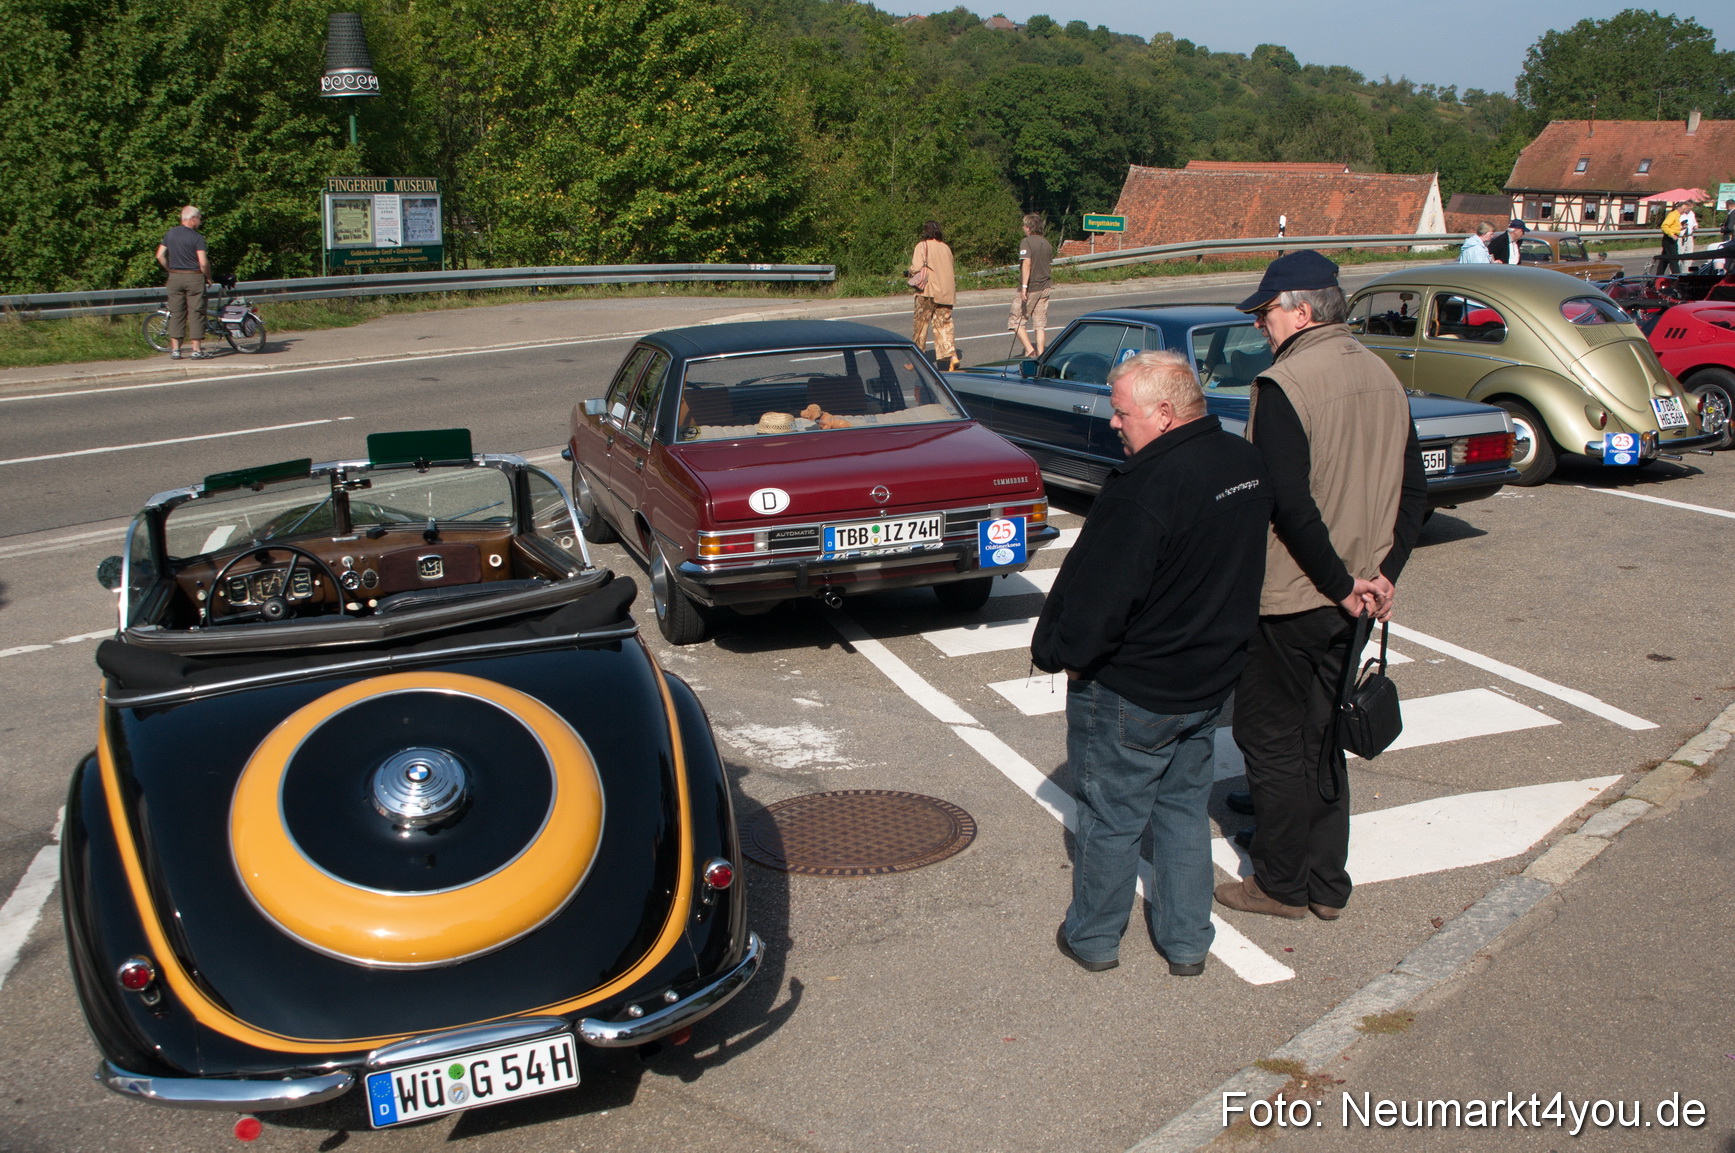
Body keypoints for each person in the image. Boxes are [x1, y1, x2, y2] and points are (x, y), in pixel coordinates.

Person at [1033, 350, 1273, 975]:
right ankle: (1188, 941)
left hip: (1132, 689)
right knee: (1183, 812)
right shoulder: (1243, 463)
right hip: (1206, 681)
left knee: (1112, 819)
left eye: (1122, 413)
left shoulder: (1146, 488)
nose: (1115, 424)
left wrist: (1065, 657)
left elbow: (1103, 596)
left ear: (1164, 413)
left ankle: (1093, 938)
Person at [1214, 250, 1426, 922]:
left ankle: (1279, 881)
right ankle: (1325, 881)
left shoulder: (1284, 383)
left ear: (1301, 310)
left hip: (1295, 596)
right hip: (1357, 597)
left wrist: (1338, 582)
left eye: (1265, 313)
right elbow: (1413, 492)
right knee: (1321, 735)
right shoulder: (1381, 375)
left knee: (1268, 735)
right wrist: (1382, 577)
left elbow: (1285, 503)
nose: (1260, 327)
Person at [155, 205, 212, 359]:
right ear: (192, 219)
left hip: (174, 277)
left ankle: (176, 350)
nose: (200, 222)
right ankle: (196, 350)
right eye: (199, 218)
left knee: (176, 312)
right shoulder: (197, 237)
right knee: (196, 312)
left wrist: (170, 270)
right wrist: (208, 277)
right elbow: (204, 263)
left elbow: (160, 255)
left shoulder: (170, 234)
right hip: (193, 276)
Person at [908, 221, 958, 370]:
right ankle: (952, 356)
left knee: (921, 325)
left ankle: (916, 360)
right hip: (947, 291)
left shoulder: (922, 245)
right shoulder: (946, 248)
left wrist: (909, 271)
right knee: (944, 325)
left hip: (928, 291)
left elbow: (917, 267)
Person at [1009, 213, 1054, 358]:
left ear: (1028, 227)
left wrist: (1024, 287)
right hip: (1046, 287)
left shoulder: (1026, 242)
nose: (1023, 228)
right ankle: (1041, 354)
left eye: (1024, 225)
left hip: (1032, 287)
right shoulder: (1047, 244)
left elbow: (1027, 263)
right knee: (1039, 324)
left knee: (1016, 320)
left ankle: (1029, 350)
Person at [1658, 203, 1683, 273]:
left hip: (1672, 237)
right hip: (1669, 238)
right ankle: (1677, 276)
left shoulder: (1677, 216)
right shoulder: (1673, 214)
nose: (1684, 211)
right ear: (1679, 208)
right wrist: (1672, 235)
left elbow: (1673, 227)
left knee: (1665, 259)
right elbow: (1664, 226)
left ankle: (1658, 275)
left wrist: (1681, 228)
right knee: (1674, 258)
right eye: (1684, 209)